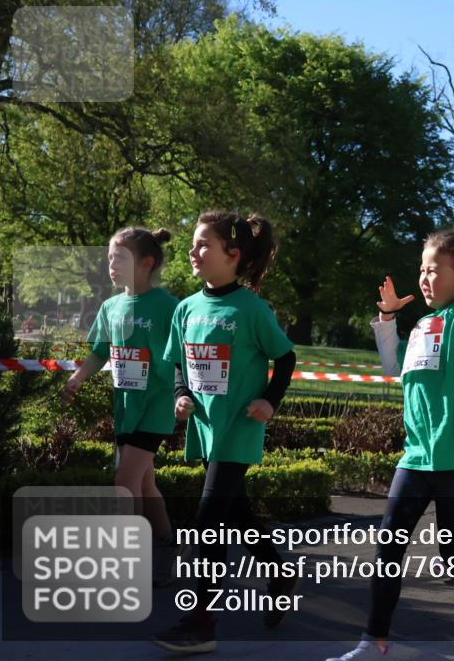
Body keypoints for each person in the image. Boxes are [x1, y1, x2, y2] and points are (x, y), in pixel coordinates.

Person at [327, 231, 454, 661]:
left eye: (435, 269)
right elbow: (393, 367)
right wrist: (387, 319)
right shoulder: (424, 324)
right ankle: (375, 641)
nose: (425, 278)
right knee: (388, 546)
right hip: (416, 457)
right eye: (421, 269)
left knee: (453, 552)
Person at [153, 211, 297, 654]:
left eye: (203, 246)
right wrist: (180, 392)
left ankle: (202, 623)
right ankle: (280, 570)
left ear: (233, 255)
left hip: (238, 429)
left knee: (208, 523)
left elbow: (285, 357)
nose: (193, 253)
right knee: (236, 515)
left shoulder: (251, 307)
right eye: (194, 245)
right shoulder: (186, 308)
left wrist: (269, 400)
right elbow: (178, 359)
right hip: (205, 429)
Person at [62, 227, 181, 588]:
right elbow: (100, 351)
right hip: (126, 409)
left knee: (124, 481)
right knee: (145, 485)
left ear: (147, 263)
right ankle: (167, 546)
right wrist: (77, 379)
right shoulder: (110, 307)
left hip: (156, 408)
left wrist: (181, 393)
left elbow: (182, 357)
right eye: (110, 258)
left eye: (120, 258)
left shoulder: (169, 306)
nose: (112, 265)